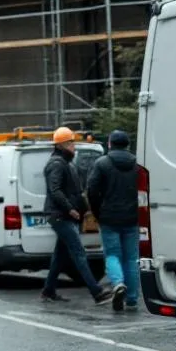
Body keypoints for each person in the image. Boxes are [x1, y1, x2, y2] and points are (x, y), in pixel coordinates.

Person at [41, 126, 115, 305]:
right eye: (71, 142)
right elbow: (55, 190)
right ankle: (97, 292)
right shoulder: (57, 164)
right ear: (63, 145)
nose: (74, 146)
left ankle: (48, 291)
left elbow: (72, 190)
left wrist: (82, 207)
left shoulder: (64, 163)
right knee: (78, 253)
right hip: (61, 216)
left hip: (64, 215)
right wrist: (70, 209)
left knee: (60, 256)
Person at [87, 129, 141, 311]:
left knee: (112, 255)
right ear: (128, 145)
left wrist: (97, 213)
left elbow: (92, 191)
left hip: (109, 217)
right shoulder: (137, 164)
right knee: (132, 258)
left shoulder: (102, 163)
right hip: (132, 217)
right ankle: (132, 298)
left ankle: (118, 283)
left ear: (109, 144)